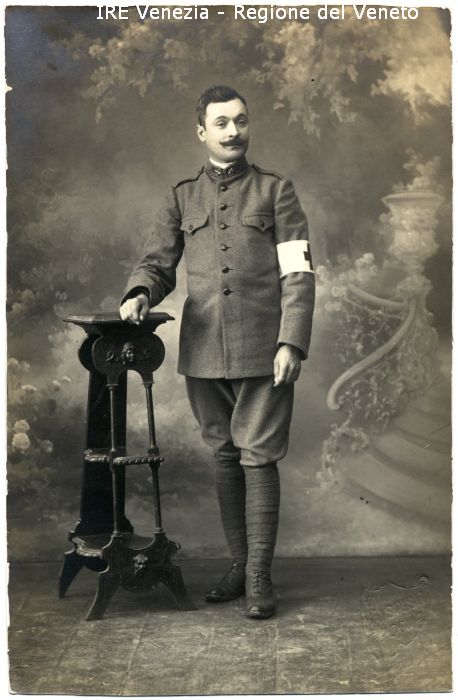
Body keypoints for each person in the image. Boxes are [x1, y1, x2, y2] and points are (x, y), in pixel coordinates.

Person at [119, 85, 315, 619]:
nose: (233, 131)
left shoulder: (276, 191)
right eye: (222, 123)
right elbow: (157, 263)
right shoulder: (182, 197)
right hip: (203, 351)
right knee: (225, 455)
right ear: (201, 131)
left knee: (258, 456)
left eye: (241, 121)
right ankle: (239, 564)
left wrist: (291, 341)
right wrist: (139, 292)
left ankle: (259, 577)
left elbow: (298, 274)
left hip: (264, 350)